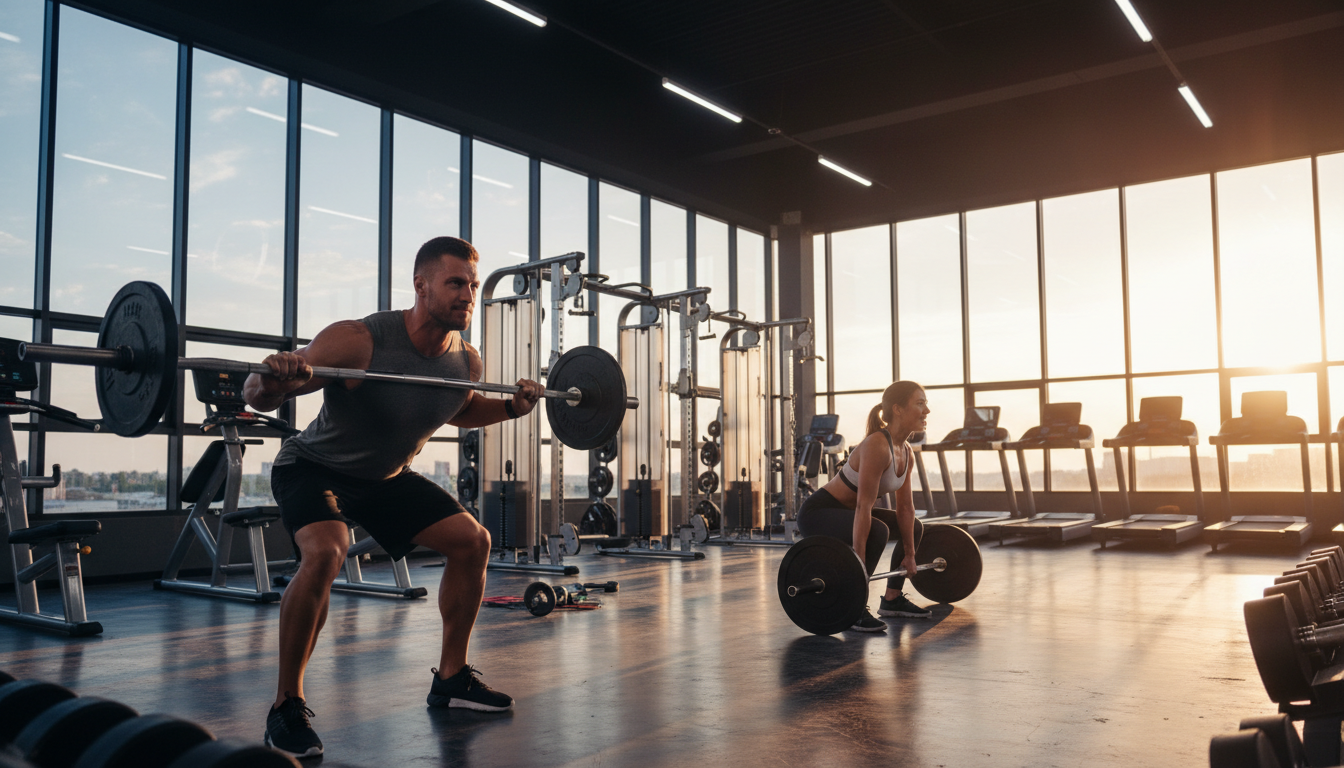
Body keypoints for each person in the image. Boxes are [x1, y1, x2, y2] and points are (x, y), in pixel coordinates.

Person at [244, 236, 542, 758]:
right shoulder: (359, 340)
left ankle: (450, 679)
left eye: (472, 285)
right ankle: (285, 706)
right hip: (315, 468)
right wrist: (277, 380)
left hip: (385, 478)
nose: (468, 295)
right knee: (325, 552)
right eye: (455, 283)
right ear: (420, 285)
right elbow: (255, 391)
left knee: (472, 541)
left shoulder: (464, 362)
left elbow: (462, 408)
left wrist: (513, 409)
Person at [796, 381, 932, 632]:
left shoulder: (906, 452)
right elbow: (863, 507)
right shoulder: (877, 445)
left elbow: (905, 509)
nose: (927, 411)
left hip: (849, 512)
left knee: (913, 526)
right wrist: (858, 562)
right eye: (920, 403)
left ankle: (892, 599)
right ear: (898, 409)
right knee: (878, 531)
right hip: (819, 513)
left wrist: (910, 555)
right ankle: (853, 604)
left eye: (926, 404)